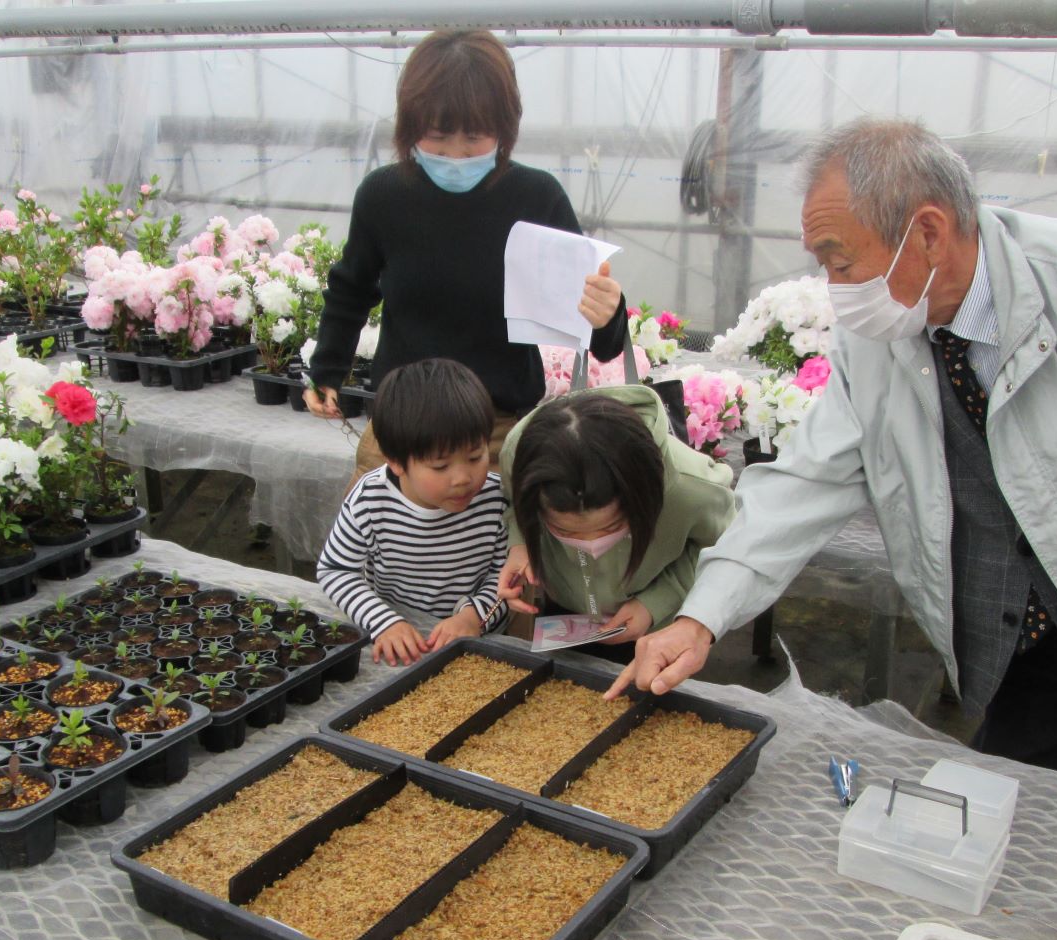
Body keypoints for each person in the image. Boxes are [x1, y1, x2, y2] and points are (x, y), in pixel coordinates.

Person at [612, 117, 1057, 770]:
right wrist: (702, 617)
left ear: (930, 233)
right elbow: (803, 483)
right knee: (1035, 850)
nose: (833, 289)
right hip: (1028, 657)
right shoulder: (878, 339)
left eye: (841, 262)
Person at [302, 28, 630, 479]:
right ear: (410, 127)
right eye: (437, 137)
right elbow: (351, 289)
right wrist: (327, 370)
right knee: (383, 541)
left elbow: (597, 332)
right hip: (401, 430)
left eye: (474, 138)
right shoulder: (384, 196)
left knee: (494, 549)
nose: (455, 154)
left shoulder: (536, 200)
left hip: (492, 436)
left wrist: (607, 313)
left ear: (505, 129)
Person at [496, 385, 736, 658]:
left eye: (611, 528)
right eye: (564, 530)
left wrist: (655, 603)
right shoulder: (517, 457)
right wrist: (520, 543)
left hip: (656, 626)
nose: (589, 545)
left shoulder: (690, 488)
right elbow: (516, 504)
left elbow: (726, 553)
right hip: (565, 614)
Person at [318, 358, 510, 666]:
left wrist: (473, 618)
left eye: (476, 456)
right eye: (440, 466)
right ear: (396, 461)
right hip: (403, 640)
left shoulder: (496, 500)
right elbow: (336, 571)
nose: (463, 478)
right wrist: (384, 622)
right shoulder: (371, 499)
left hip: (478, 643)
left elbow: (505, 577)